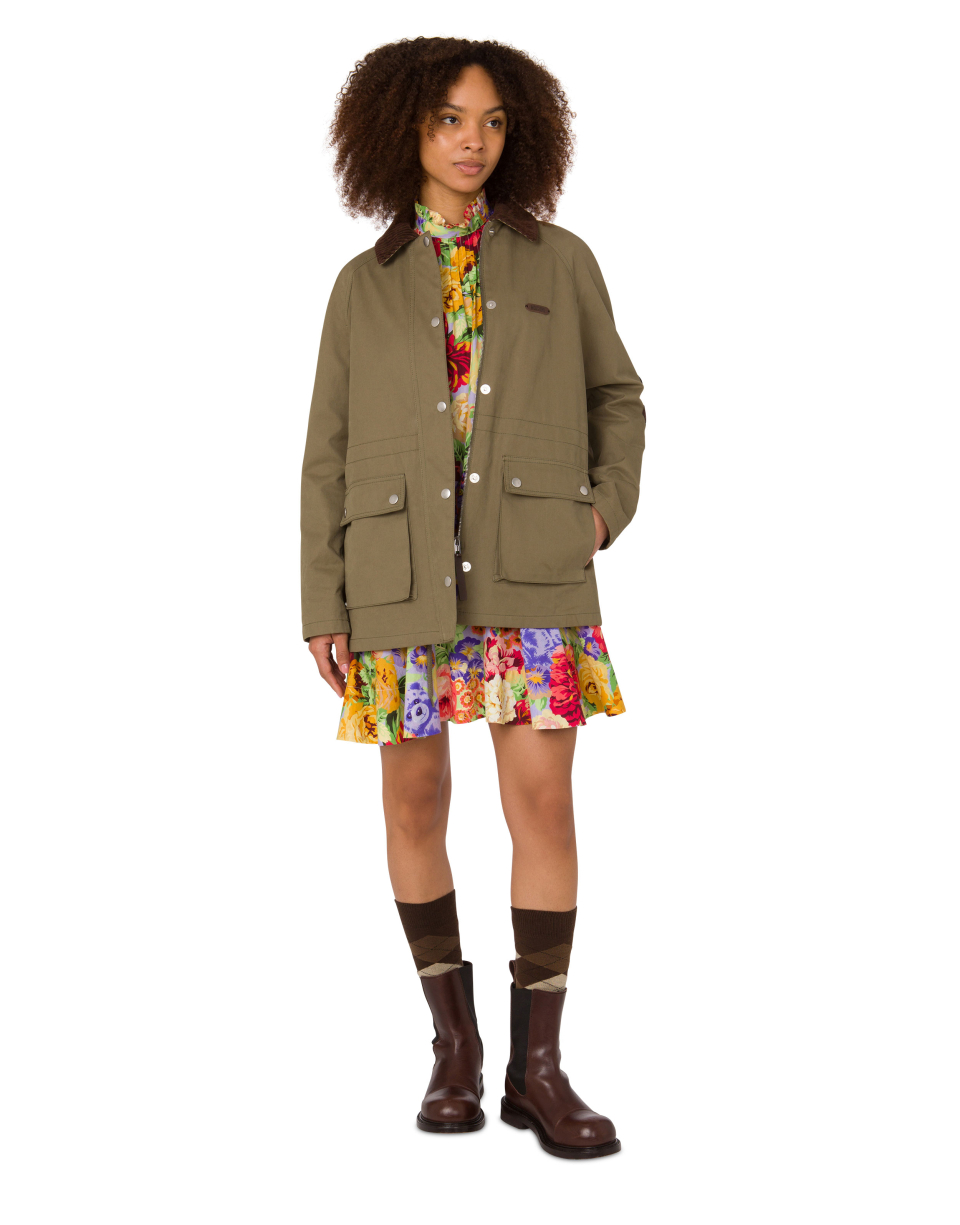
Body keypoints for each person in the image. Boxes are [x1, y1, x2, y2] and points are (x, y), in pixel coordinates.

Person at [301, 37, 645, 1159]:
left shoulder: (561, 261)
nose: (472, 141)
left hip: (532, 575)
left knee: (543, 806)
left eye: (493, 121)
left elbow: (618, 398)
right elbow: (325, 453)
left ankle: (539, 1069)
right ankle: (454, 1048)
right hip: (397, 579)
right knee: (414, 804)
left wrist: (601, 513)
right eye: (449, 119)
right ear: (403, 129)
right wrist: (323, 600)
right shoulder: (362, 286)